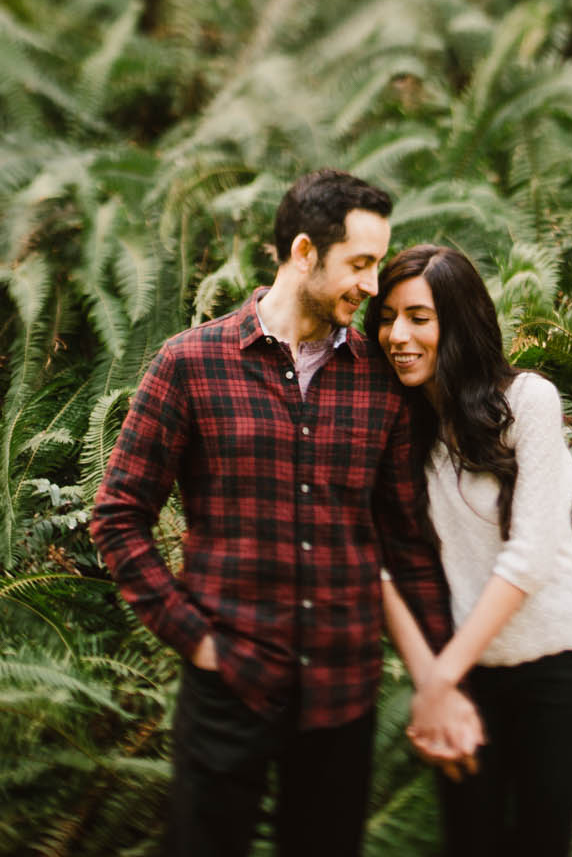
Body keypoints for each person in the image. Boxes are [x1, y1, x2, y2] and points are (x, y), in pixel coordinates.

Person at [90, 170, 463, 857]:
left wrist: (443, 678)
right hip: (228, 684)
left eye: (377, 263)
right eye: (360, 263)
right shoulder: (190, 362)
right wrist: (197, 640)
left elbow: (407, 541)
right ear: (302, 252)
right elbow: (117, 515)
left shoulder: (380, 379)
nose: (373, 285)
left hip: (342, 696)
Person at [371, 244, 572, 857]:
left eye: (419, 317)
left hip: (556, 665)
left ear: (458, 320)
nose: (398, 334)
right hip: (465, 676)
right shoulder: (400, 428)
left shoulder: (527, 402)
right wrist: (436, 684)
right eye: (388, 316)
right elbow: (381, 566)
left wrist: (438, 680)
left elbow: (529, 556)